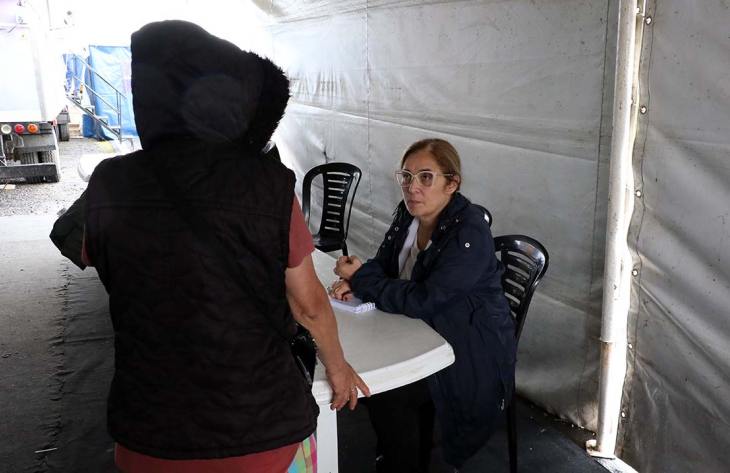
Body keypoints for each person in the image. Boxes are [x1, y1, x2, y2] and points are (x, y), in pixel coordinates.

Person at [81, 20, 369, 473]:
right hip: (259, 428)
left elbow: (101, 264)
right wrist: (337, 369)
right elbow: (308, 304)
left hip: (149, 429)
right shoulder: (268, 183)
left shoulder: (109, 182)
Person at [329, 138, 515, 472]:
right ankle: (397, 454)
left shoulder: (469, 233)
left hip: (468, 347)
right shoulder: (409, 214)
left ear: (451, 184)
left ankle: (403, 461)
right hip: (421, 329)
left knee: (388, 390)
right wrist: (359, 279)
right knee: (373, 374)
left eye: (426, 177)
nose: (412, 187)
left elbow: (425, 300)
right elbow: (385, 264)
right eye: (406, 176)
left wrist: (362, 279)